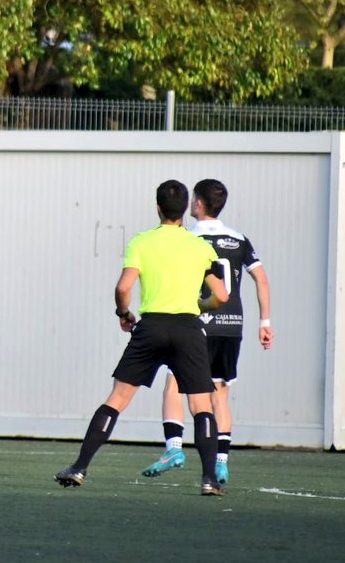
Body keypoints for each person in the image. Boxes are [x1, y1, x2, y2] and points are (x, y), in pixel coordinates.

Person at [54, 179, 230, 496]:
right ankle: (208, 480)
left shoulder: (142, 242)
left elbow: (123, 288)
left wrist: (124, 314)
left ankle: (79, 467)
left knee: (117, 399)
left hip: (151, 327)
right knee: (201, 406)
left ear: (158, 208)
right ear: (185, 210)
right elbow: (220, 295)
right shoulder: (200, 246)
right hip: (188, 329)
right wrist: (196, 303)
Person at [141, 179, 273, 485]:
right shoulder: (239, 239)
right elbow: (261, 279)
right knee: (220, 394)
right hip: (232, 327)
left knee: (174, 383)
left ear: (197, 204)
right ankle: (221, 463)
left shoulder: (189, 237)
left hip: (199, 323)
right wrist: (265, 323)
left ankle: (173, 448)